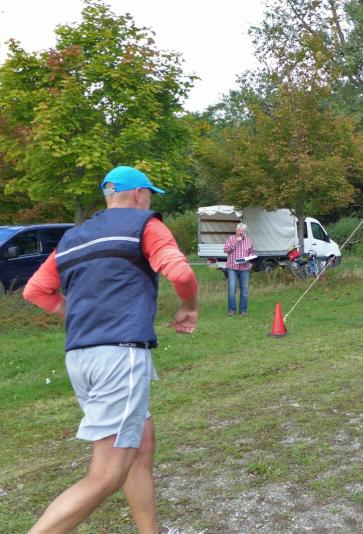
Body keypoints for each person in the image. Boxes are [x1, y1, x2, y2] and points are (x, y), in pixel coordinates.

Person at [22, 165, 199, 533]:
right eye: (149, 194)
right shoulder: (145, 225)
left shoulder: (72, 237)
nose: (149, 200)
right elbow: (181, 273)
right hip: (119, 357)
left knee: (140, 444)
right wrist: (189, 307)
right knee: (106, 474)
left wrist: (79, 314)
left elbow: (35, 291)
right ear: (138, 194)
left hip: (80, 358)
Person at [223, 223, 255, 316]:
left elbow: (251, 253)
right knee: (232, 289)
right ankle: (231, 310)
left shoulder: (248, 240)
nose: (241, 232)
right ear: (236, 231)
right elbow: (225, 250)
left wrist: (250, 261)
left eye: (243, 231)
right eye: (240, 230)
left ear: (245, 232)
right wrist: (236, 242)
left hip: (244, 268)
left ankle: (243, 311)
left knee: (244, 290)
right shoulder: (231, 239)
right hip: (232, 267)